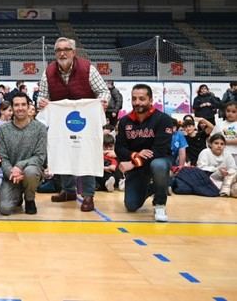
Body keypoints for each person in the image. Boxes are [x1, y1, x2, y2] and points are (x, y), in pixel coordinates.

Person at [38, 37, 110, 212]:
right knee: (63, 153)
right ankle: (68, 191)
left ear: (73, 52)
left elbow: (103, 91)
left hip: (86, 122)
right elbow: (42, 96)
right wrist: (42, 103)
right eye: (58, 50)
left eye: (66, 49)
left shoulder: (88, 69)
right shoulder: (48, 72)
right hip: (61, 122)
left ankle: (88, 195)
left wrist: (102, 102)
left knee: (87, 154)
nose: (62, 53)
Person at [115, 84, 173, 222]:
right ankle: (157, 186)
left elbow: (159, 150)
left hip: (157, 162)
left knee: (158, 165)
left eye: (142, 99)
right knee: (131, 205)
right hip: (137, 167)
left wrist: (134, 162)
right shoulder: (124, 121)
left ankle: (159, 204)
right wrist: (135, 156)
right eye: (134, 99)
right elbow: (119, 148)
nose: (137, 102)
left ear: (150, 100)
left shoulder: (163, 119)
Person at [0, 93, 47, 215]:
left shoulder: (40, 128)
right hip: (12, 175)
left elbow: (40, 157)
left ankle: (29, 198)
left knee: (30, 171)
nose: (20, 108)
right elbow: (3, 158)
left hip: (31, 172)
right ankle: (17, 196)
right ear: (12, 108)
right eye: (16, 105)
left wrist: (19, 166)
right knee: (4, 208)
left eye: (23, 104)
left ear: (29, 106)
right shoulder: (3, 130)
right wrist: (12, 172)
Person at [211, 101, 237, 165]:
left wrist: (225, 141)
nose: (230, 113)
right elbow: (212, 138)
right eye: (228, 111)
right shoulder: (220, 124)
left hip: (235, 154)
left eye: (233, 112)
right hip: (221, 154)